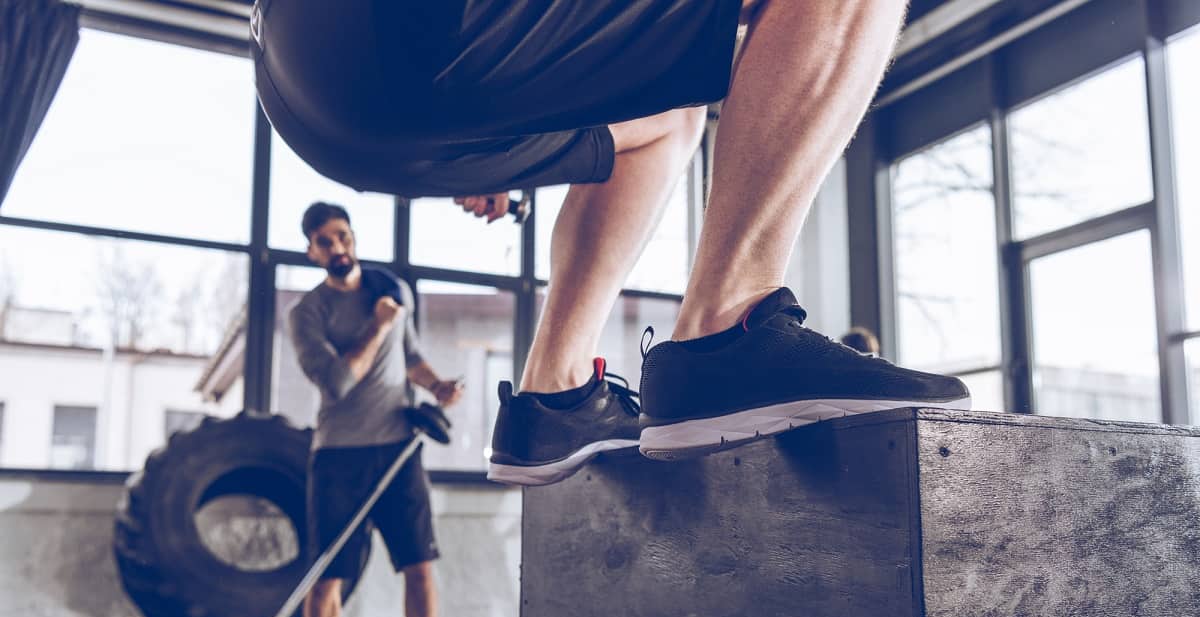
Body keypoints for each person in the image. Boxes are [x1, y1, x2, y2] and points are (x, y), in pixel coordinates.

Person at [254, 0, 971, 487]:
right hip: (410, 32)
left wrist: (505, 136)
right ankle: (732, 328)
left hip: (314, 86)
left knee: (666, 115)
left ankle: (554, 398)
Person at [286, 201, 464, 617]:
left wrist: (437, 386)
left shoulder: (388, 296)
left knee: (420, 570)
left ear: (353, 237)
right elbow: (339, 382)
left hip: (398, 449)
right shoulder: (307, 314)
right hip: (338, 456)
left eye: (342, 235)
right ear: (311, 251)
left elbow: (409, 357)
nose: (336, 247)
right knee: (327, 579)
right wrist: (378, 327)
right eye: (324, 241)